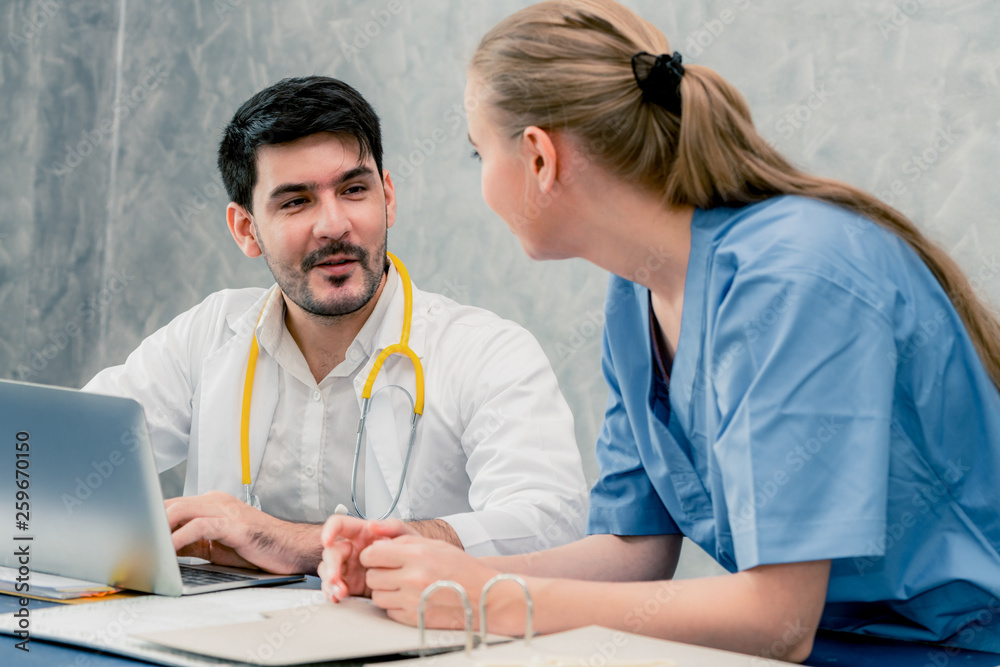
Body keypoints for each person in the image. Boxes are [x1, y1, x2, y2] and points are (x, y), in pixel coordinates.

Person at [317, 0, 1000, 661]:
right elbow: (636, 550)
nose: (483, 183)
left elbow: (780, 619)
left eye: (477, 154)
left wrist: (493, 598)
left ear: (539, 158)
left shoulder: (796, 278)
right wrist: (428, 565)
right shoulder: (635, 295)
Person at [84, 76, 588, 576]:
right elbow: (61, 460)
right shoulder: (209, 335)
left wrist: (299, 544)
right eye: (295, 201)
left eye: (353, 190)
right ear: (246, 229)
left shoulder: (487, 352)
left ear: (387, 198)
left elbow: (548, 523)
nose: (334, 225)